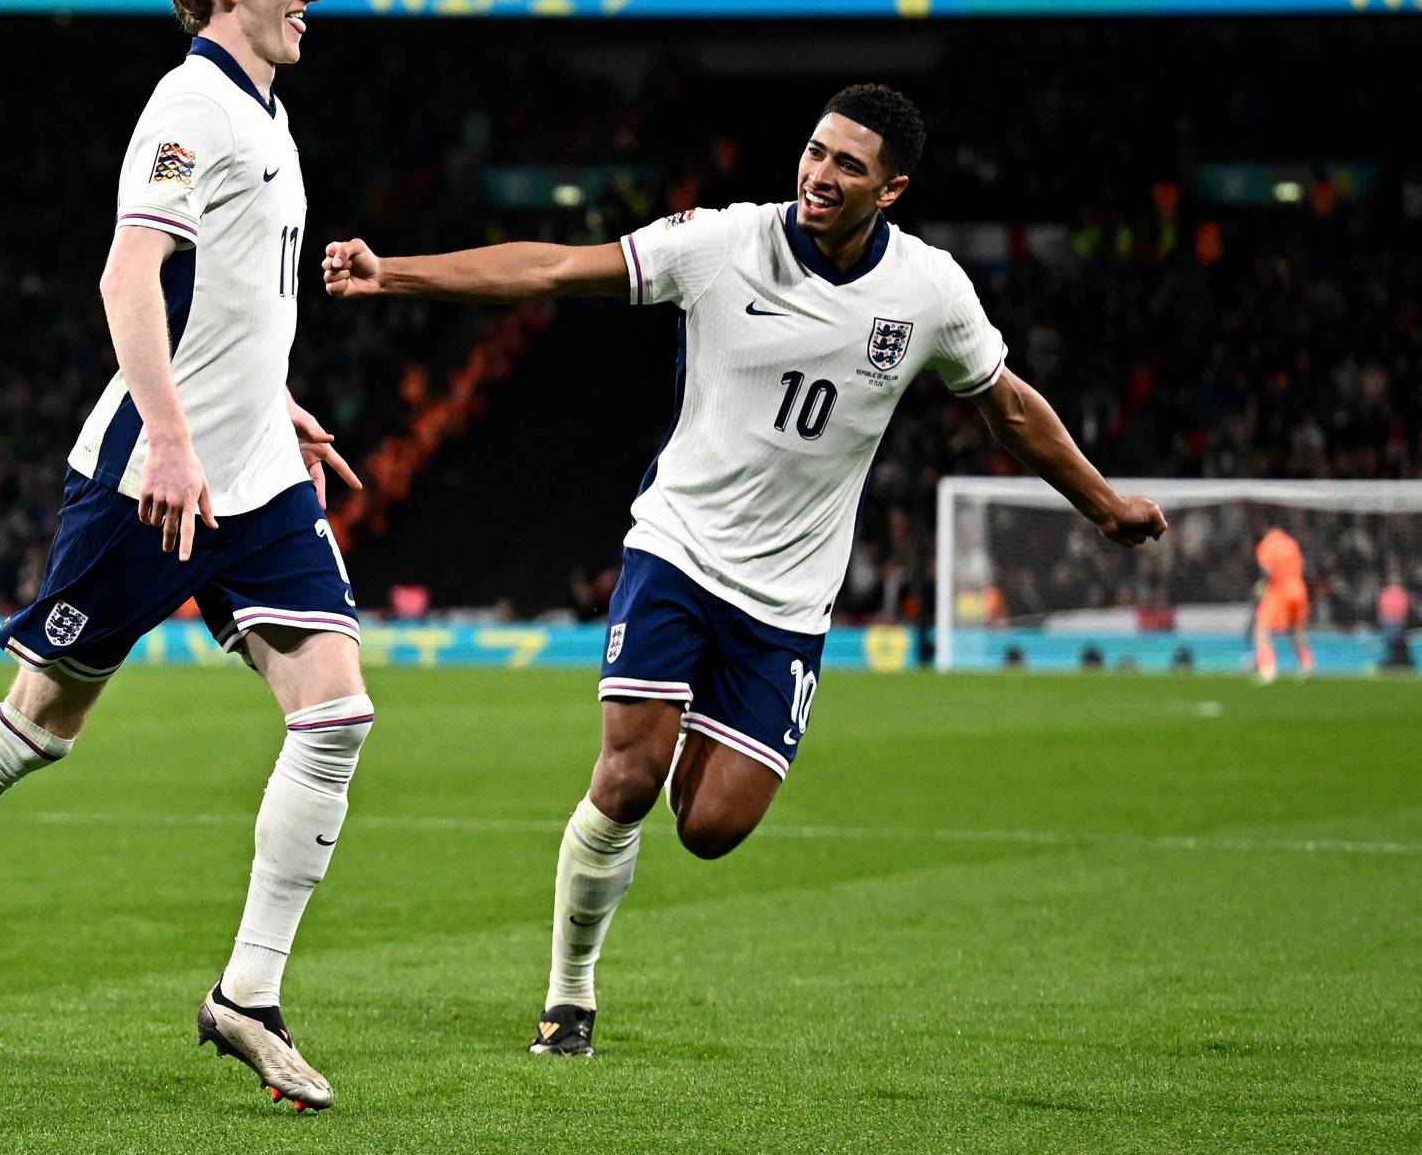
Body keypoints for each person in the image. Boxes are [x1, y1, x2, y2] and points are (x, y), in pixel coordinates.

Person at [322, 83, 1168, 1056]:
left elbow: (1007, 404)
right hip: (678, 547)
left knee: (713, 824)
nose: (820, 173)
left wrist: (1102, 502)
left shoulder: (929, 292)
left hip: (789, 598)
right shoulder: (720, 243)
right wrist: (399, 273)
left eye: (849, 164)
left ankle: (681, 729)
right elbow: (554, 265)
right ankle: (570, 992)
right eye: (815, 151)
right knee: (629, 775)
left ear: (890, 189)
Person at [0, 0, 369, 1112]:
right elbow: (130, 276)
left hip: (254, 476)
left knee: (335, 712)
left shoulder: (268, 111)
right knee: (43, 722)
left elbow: (225, 302)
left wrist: (264, 399)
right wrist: (174, 439)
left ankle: (250, 995)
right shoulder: (189, 103)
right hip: (153, 476)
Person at [1253, 525, 1313, 682]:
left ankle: (1267, 668)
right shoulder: (1291, 543)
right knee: (1296, 631)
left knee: (1262, 629)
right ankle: (1306, 665)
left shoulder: (1267, 544)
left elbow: (1267, 570)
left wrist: (1263, 585)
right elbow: (1302, 566)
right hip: (1298, 589)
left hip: (1278, 591)